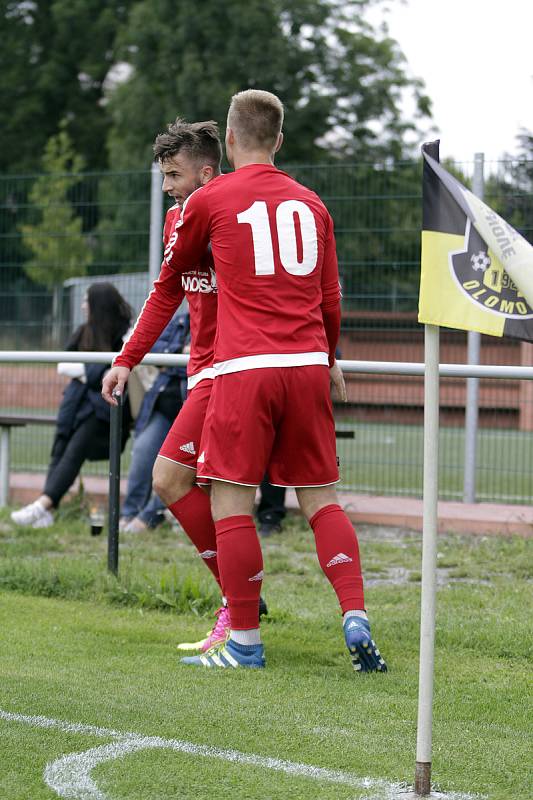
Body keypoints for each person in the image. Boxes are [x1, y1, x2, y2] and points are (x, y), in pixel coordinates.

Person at [144, 89, 387, 673]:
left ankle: (245, 642)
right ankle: (354, 613)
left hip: (242, 369)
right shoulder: (314, 204)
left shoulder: (211, 198)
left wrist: (129, 357)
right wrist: (329, 357)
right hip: (307, 365)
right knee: (322, 500)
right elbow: (330, 299)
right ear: (279, 140)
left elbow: (168, 284)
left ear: (228, 141)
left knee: (230, 500)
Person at [103, 118, 267, 653]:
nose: (168, 186)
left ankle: (240, 611)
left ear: (207, 169)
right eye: (163, 175)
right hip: (203, 374)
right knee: (179, 485)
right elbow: (165, 294)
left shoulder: (237, 214)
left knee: (185, 484)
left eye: (174, 174)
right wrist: (126, 358)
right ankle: (242, 603)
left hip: (241, 372)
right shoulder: (180, 220)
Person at [11, 283, 132, 529]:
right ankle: (46, 510)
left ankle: (41, 505)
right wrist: (89, 372)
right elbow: (63, 365)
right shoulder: (83, 332)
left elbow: (106, 374)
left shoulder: (124, 335)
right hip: (75, 406)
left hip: (103, 412)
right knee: (60, 446)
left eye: (87, 301)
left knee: (75, 449)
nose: (83, 305)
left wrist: (87, 372)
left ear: (98, 305)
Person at [119, 311, 189, 532]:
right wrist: (181, 353)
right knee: (142, 451)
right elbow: (153, 349)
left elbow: (207, 358)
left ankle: (150, 516)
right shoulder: (179, 319)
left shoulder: (221, 315)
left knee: (174, 468)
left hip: (192, 407)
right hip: (161, 406)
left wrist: (172, 361)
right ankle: (129, 513)